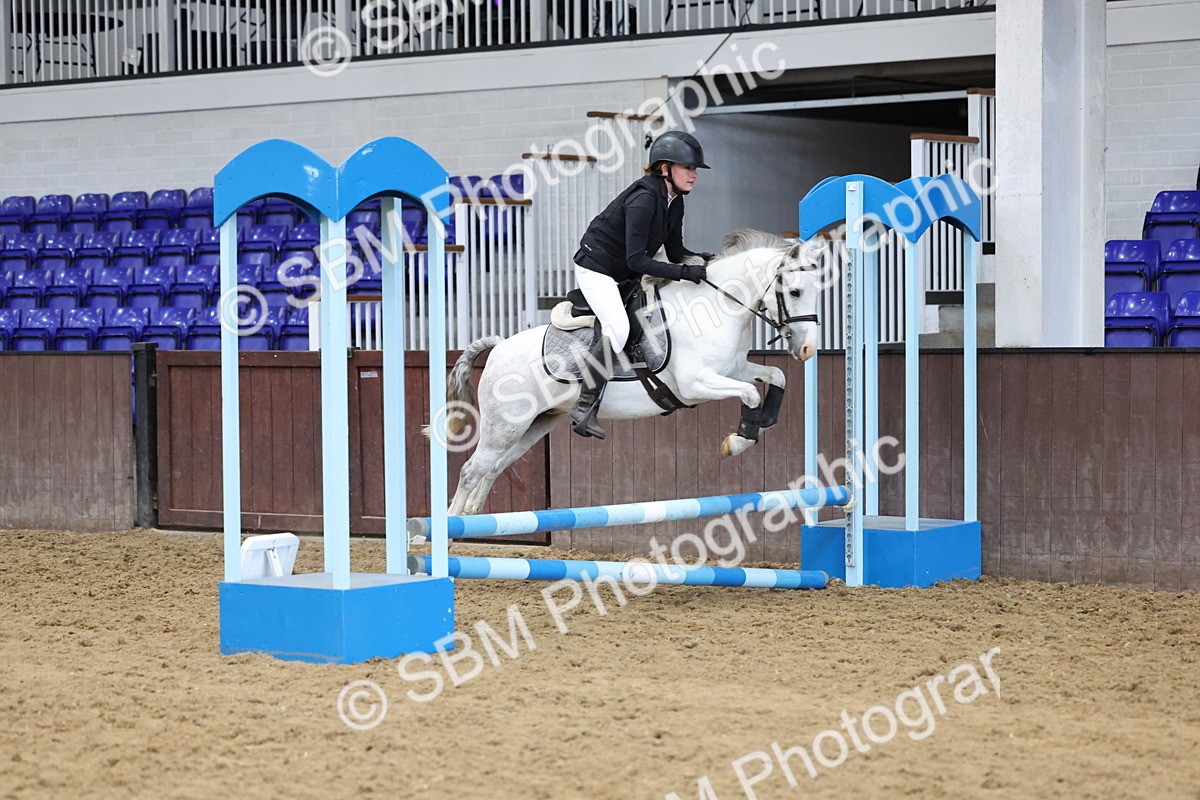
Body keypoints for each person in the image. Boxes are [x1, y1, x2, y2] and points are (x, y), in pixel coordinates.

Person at [568, 129, 714, 439]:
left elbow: (676, 251)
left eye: (695, 169)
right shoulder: (644, 199)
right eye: (688, 168)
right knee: (618, 328)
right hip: (597, 269)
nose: (695, 175)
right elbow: (637, 260)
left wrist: (703, 262)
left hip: (623, 271)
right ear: (665, 169)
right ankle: (584, 406)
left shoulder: (675, 201)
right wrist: (685, 273)